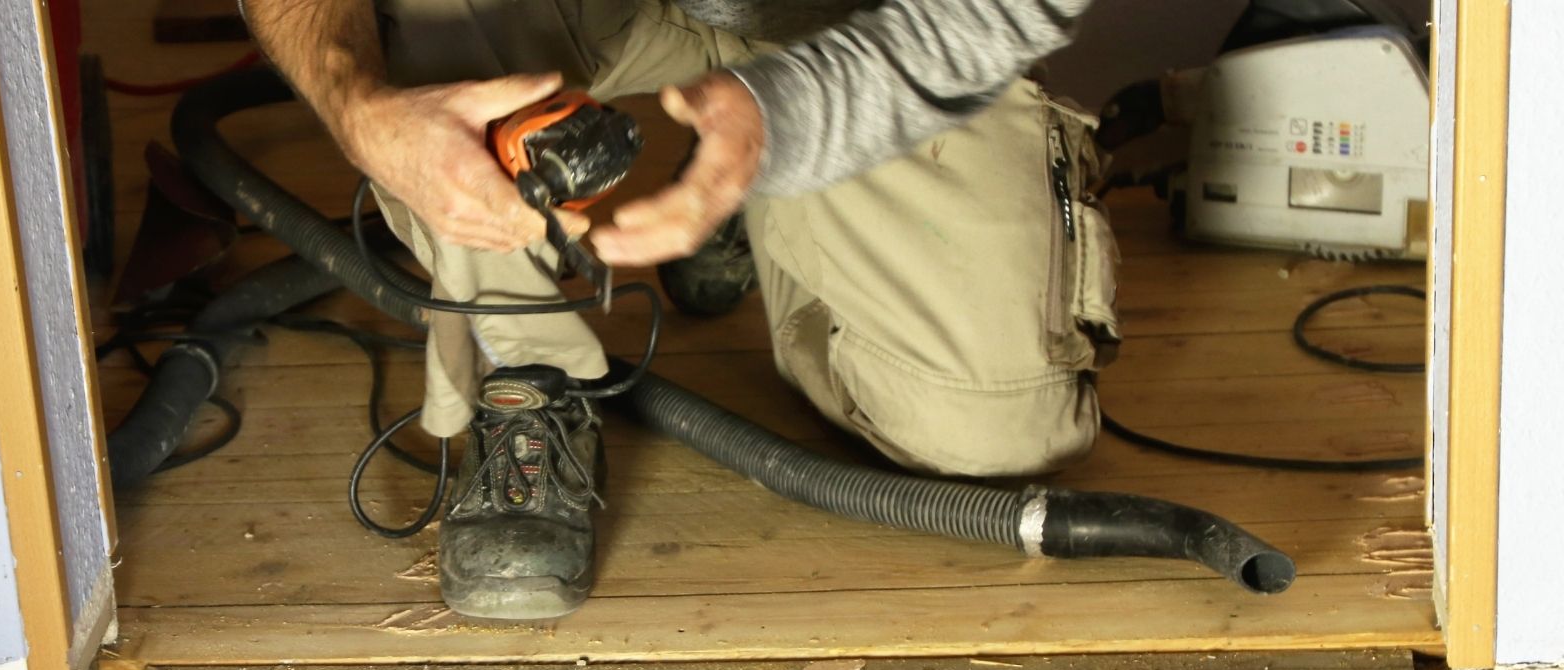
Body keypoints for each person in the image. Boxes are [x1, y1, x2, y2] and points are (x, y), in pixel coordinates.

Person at [242, 0, 1116, 619]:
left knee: (993, 431)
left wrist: (792, 120)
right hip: (551, 10)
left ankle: (763, 192)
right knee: (432, 27)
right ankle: (527, 371)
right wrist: (356, 105)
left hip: (859, 25)